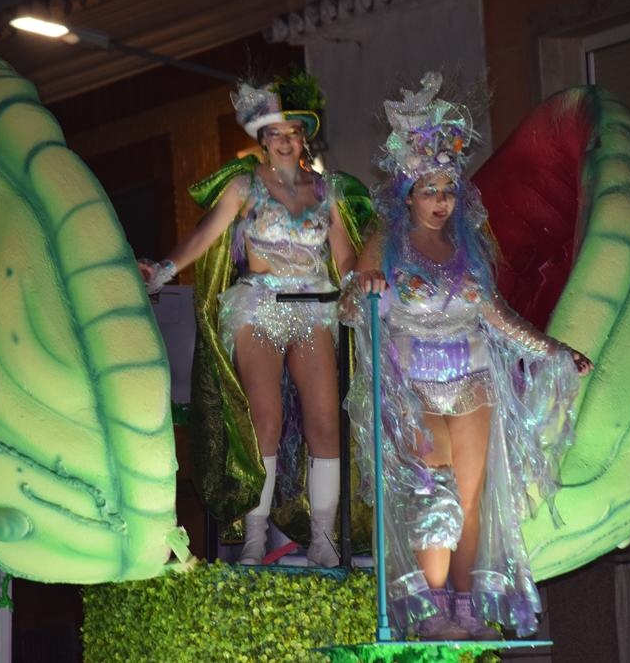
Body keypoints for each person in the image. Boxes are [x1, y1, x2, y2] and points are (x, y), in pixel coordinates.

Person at [340, 72, 592, 639]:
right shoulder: (386, 242)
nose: (440, 201)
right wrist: (368, 288)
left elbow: (497, 317)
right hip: (416, 386)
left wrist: (555, 350)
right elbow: (350, 308)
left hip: (473, 380)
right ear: (409, 194)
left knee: (473, 499)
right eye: (429, 190)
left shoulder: (468, 249)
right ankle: (433, 609)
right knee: (437, 493)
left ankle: (466, 606)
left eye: (448, 191)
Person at [140, 72, 370, 567]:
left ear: (304, 138)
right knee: (265, 419)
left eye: (293, 133)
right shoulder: (245, 187)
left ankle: (323, 539)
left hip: (314, 308)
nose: (285, 142)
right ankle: (254, 537)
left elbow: (346, 257)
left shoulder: (326, 191)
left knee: (325, 422)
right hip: (259, 307)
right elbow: (204, 235)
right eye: (275, 133)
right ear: (262, 140)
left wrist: (363, 284)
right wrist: (163, 269)